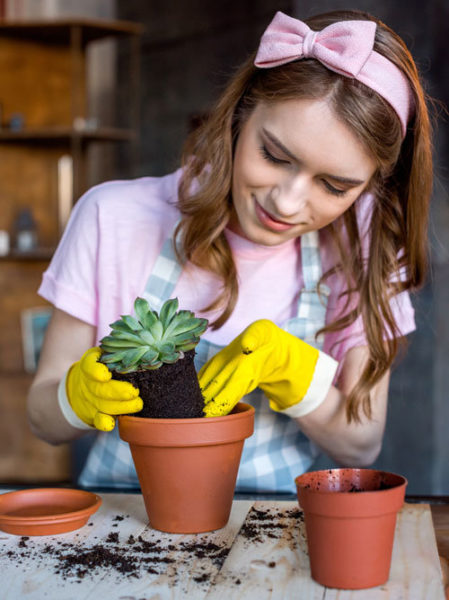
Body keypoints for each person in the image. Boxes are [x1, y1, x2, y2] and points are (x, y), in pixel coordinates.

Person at [27, 9, 433, 493]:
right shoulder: (111, 217)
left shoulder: (360, 248)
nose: (286, 202)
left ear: (371, 184)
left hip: (274, 534)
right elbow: (42, 419)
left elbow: (360, 445)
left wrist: (291, 369)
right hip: (125, 523)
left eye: (335, 186)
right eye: (274, 156)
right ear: (240, 114)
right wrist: (74, 397)